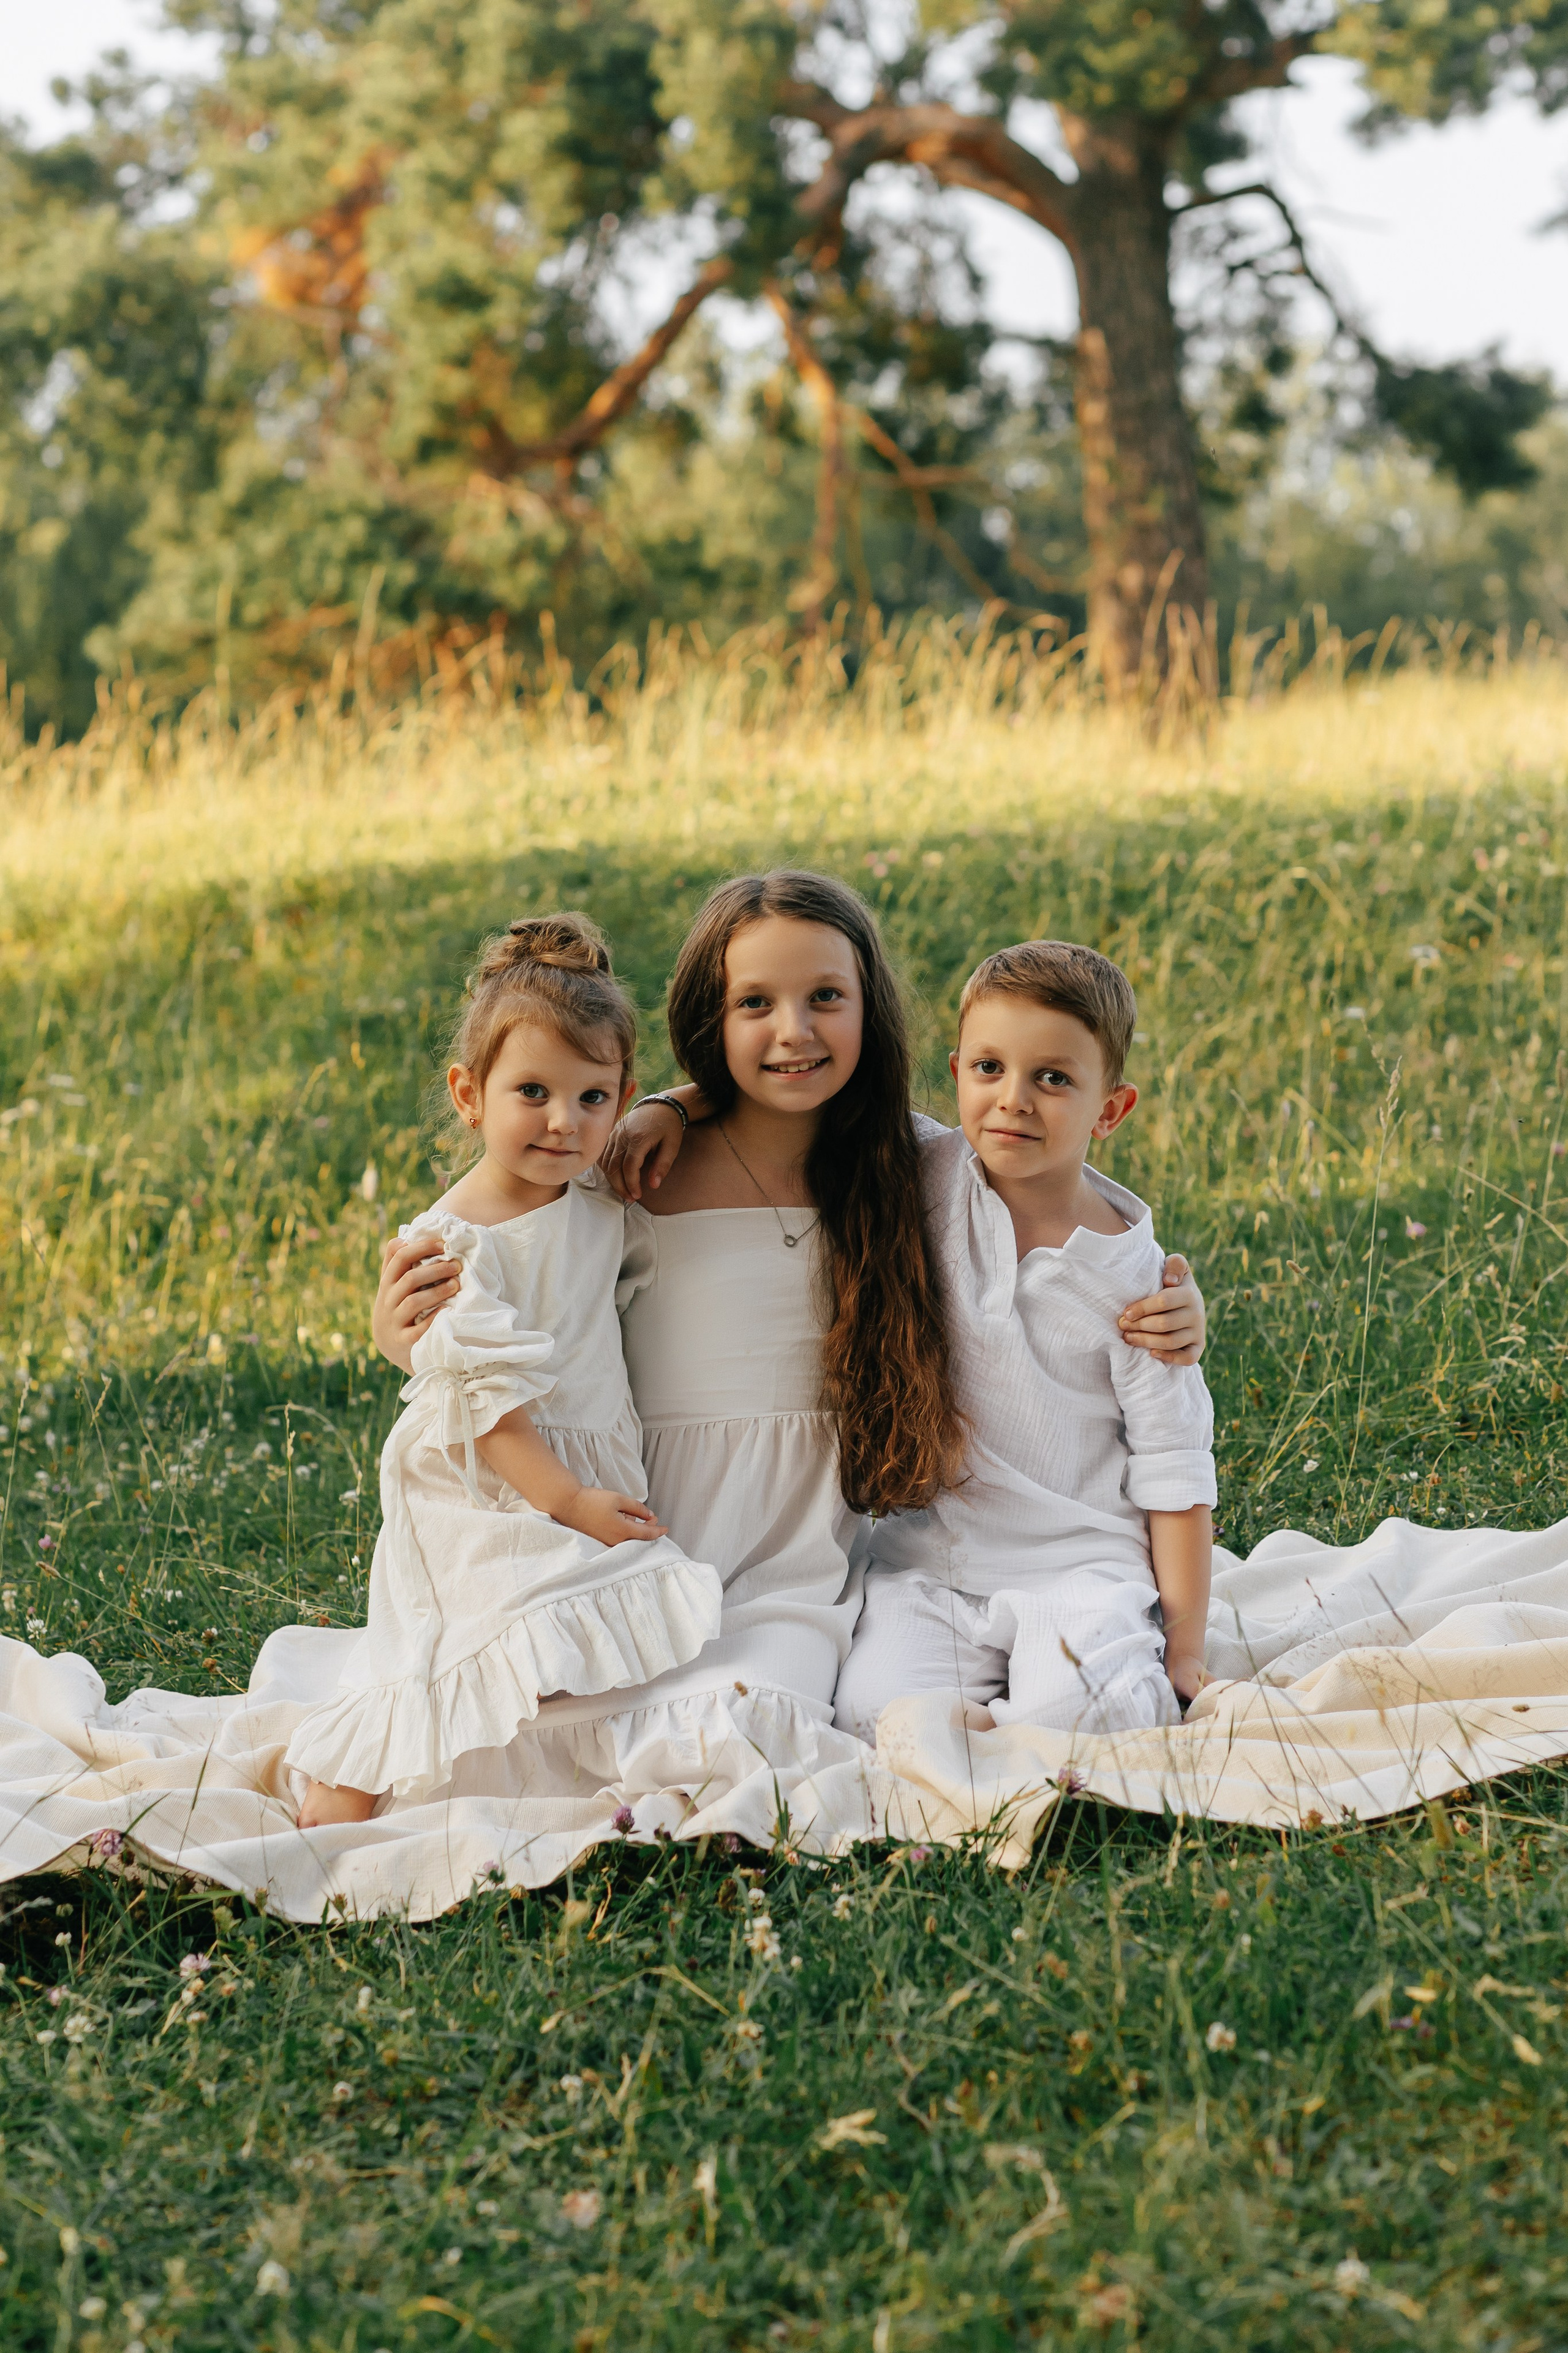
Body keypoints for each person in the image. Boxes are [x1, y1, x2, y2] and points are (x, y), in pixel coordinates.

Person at [371, 872, 1208, 1840]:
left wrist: (1169, 1294)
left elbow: (1042, 1178)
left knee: (753, 1736)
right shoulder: (627, 1166)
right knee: (514, 1751)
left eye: (826, 999)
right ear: (707, 1014)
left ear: (869, 1009)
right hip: (642, 1543)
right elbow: (505, 1255)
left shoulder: (904, 1165)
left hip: (794, 1567)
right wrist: (404, 1327)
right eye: (754, 1003)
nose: (794, 1031)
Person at [288, 915, 723, 1827]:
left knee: (549, 1628)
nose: (565, 1122)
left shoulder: (597, 1187)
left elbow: (722, 1095)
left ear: (622, 1097)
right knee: (437, 1649)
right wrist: (571, 1504)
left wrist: (669, 1108)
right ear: (468, 1093)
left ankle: (538, 1770)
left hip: (571, 1464)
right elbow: (491, 1416)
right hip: (488, 1480)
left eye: (593, 1098)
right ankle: (336, 1802)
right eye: (533, 1091)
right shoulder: (453, 1244)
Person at [833, 939, 1215, 1745]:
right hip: (933, 1563)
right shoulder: (928, 1172)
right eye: (989, 1069)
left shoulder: (1139, 1283)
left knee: (1083, 1720)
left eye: (1053, 1078)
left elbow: (1176, 1471)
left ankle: (1054, 1702)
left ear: (1109, 1109)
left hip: (1079, 1570)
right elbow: (798, 1101)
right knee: (871, 1714)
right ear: (958, 1070)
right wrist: (669, 1107)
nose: (1013, 1099)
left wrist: (1186, 1649)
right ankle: (977, 1725)